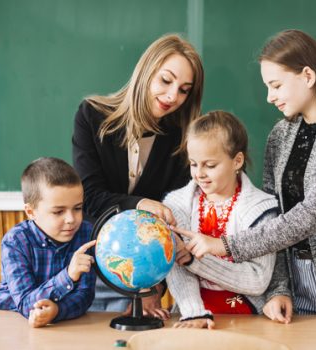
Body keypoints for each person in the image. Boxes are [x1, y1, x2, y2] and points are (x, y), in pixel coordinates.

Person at [172, 30, 316, 349]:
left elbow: (308, 216)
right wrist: (278, 289)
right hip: (295, 281)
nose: (269, 97)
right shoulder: (280, 135)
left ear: (308, 76)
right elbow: (271, 216)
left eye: (275, 85)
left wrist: (225, 245)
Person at [72, 33, 204, 316]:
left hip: (145, 272)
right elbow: (90, 198)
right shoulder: (92, 116)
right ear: (146, 72)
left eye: (184, 90)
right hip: (89, 267)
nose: (172, 97)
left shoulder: (182, 140)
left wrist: (152, 288)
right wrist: (142, 203)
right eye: (166, 81)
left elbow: (175, 214)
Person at [164, 111, 278, 329]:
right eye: (194, 164)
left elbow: (257, 280)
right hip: (191, 310)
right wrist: (193, 313)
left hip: (246, 313)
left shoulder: (261, 209)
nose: (199, 174)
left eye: (210, 165)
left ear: (237, 161)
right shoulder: (177, 204)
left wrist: (194, 261)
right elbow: (177, 265)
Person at [0, 157, 96, 328]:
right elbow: (25, 304)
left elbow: (85, 296)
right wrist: (68, 276)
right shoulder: (15, 241)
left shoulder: (86, 234)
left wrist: (57, 311)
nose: (71, 219)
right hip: (7, 323)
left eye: (77, 208)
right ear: (31, 212)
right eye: (58, 211)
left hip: (56, 328)